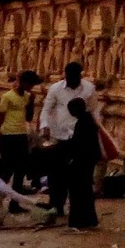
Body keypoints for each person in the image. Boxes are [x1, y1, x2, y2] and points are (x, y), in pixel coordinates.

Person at [39, 62, 97, 218]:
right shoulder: (56, 89)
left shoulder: (89, 89)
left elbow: (94, 111)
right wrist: (44, 125)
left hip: (80, 139)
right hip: (60, 137)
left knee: (79, 177)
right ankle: (56, 205)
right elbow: (46, 109)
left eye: (75, 77)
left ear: (80, 75)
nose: (72, 80)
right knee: (56, 174)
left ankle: (77, 210)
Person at [0, 70, 41, 195]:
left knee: (21, 169)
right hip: (8, 135)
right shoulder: (7, 96)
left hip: (21, 134)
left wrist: (31, 101)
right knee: (7, 169)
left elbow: (29, 118)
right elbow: (0, 118)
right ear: (23, 82)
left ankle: (14, 202)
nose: (31, 87)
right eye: (30, 84)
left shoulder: (26, 97)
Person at [64, 98, 103, 231]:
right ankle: (89, 219)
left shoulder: (83, 122)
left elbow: (78, 143)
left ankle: (78, 220)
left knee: (77, 191)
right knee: (86, 190)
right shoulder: (89, 120)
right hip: (88, 160)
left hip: (82, 160)